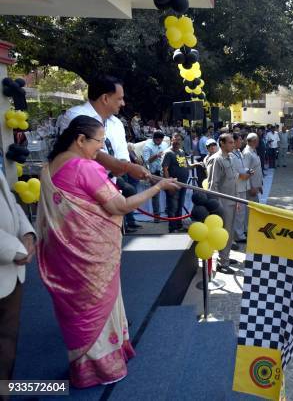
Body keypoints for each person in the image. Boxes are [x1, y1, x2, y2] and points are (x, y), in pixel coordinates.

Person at [37, 115, 178, 388]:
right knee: (97, 305)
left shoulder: (49, 167)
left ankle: (82, 367)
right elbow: (120, 206)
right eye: (99, 143)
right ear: (80, 140)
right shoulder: (83, 167)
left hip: (63, 256)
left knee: (77, 311)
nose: (100, 149)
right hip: (91, 257)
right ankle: (103, 368)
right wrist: (158, 187)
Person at [58, 75, 148, 182]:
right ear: (105, 98)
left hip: (107, 191)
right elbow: (93, 153)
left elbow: (122, 157)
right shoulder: (75, 116)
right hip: (77, 190)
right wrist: (127, 167)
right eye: (119, 99)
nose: (123, 103)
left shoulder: (117, 124)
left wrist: (122, 166)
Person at [0, 170, 36, 389]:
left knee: (7, 341)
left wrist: (27, 234)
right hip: (9, 258)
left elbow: (10, 202)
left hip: (11, 271)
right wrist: (15, 249)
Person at [208, 134, 251, 273]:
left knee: (230, 232)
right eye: (231, 142)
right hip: (223, 203)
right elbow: (212, 185)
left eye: (233, 142)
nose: (233, 145)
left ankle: (225, 257)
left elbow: (234, 181)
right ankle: (222, 263)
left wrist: (237, 199)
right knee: (224, 232)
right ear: (222, 143)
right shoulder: (216, 159)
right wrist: (218, 205)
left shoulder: (230, 158)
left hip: (232, 200)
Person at [162, 132, 199, 233]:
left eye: (179, 140)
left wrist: (196, 165)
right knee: (172, 206)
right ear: (171, 140)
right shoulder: (168, 153)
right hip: (173, 185)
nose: (177, 141)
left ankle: (179, 225)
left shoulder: (182, 151)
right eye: (175, 139)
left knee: (179, 205)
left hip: (183, 183)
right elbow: (165, 169)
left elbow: (186, 166)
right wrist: (169, 185)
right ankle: (172, 227)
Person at [142, 131, 169, 222]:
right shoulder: (147, 146)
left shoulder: (165, 144)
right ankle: (156, 217)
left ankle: (169, 214)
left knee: (169, 193)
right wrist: (156, 155)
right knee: (155, 195)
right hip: (154, 173)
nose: (160, 141)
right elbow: (146, 161)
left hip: (164, 172)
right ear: (154, 139)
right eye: (158, 140)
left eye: (161, 139)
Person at [231, 133, 249, 242]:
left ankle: (241, 231)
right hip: (237, 185)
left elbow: (241, 167)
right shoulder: (231, 155)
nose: (241, 142)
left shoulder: (238, 152)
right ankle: (238, 235)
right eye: (240, 140)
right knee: (239, 212)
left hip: (243, 184)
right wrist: (242, 175)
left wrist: (247, 171)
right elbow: (233, 172)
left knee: (242, 211)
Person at [243, 132, 264, 202]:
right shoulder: (247, 153)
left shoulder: (253, 151)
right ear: (254, 141)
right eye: (257, 140)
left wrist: (259, 185)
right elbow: (245, 171)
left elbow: (256, 168)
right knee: (250, 209)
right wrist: (250, 187)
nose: (258, 142)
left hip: (255, 185)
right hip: (251, 188)